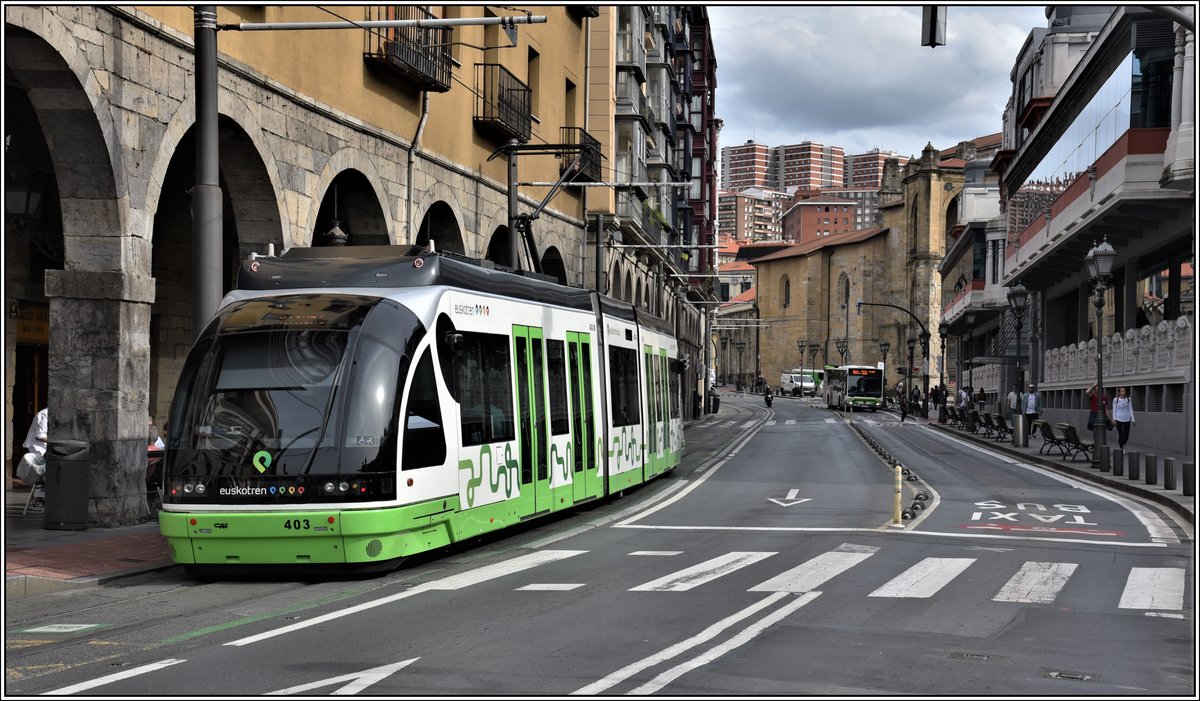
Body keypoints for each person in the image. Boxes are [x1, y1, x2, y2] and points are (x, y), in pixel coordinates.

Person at [16, 407, 48, 486]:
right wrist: (56, 440)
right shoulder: (43, 415)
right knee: (39, 476)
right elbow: (40, 436)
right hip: (37, 447)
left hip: (45, 447)